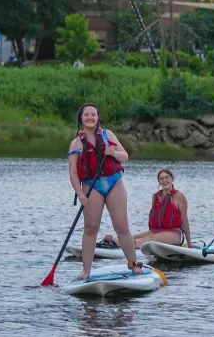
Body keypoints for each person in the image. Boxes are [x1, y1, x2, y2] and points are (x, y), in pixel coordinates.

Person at [67, 103, 141, 279]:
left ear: (98, 117)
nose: (90, 117)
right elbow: (73, 173)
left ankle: (133, 264)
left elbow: (125, 157)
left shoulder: (108, 135)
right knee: (91, 228)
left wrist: (113, 152)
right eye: (86, 115)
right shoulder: (76, 143)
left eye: (93, 114)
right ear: (81, 118)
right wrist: (80, 194)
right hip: (91, 186)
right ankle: (86, 271)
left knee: (121, 226)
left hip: (114, 182)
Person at [101, 168, 195, 248]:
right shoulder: (155, 197)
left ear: (172, 179)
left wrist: (189, 243)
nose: (164, 181)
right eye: (161, 179)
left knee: (149, 240)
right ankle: (113, 241)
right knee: (134, 236)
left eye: (167, 177)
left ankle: (118, 245)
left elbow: (185, 221)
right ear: (159, 181)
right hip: (156, 231)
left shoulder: (179, 196)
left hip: (174, 233)